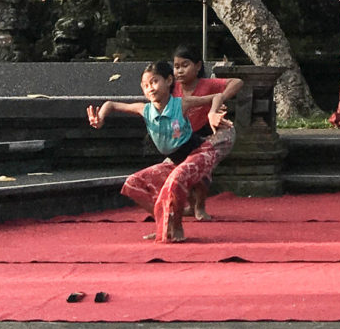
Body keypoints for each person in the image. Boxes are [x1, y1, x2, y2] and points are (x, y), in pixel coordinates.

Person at [86, 58, 231, 243]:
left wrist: (212, 113)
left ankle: (178, 226)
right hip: (174, 160)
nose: (151, 88)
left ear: (169, 81)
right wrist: (100, 118)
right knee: (132, 184)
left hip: (197, 154)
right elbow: (111, 104)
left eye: (155, 81)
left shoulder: (181, 104)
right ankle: (166, 223)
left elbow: (217, 96)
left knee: (175, 181)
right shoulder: (144, 109)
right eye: (146, 85)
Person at [169, 44, 242, 222]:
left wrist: (219, 102)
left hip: (207, 135)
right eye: (176, 66)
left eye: (185, 65)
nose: (179, 71)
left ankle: (200, 205)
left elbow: (237, 82)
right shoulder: (171, 88)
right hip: (182, 137)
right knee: (173, 168)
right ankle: (188, 204)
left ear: (198, 66)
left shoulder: (206, 84)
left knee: (202, 163)